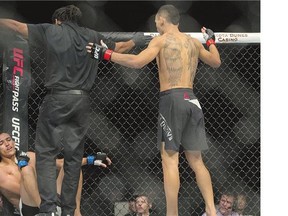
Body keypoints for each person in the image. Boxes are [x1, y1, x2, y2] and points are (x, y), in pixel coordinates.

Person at [0, 4, 150, 216]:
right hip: (81, 102)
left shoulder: (51, 31)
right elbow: (121, 48)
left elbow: (15, 25)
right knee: (72, 158)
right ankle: (69, 210)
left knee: (45, 154)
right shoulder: (91, 35)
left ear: (57, 20)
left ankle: (50, 209)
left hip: (57, 98)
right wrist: (138, 40)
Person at [87, 4, 221, 216]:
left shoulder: (161, 40)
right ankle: (212, 210)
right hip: (192, 99)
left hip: (172, 99)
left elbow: (138, 62)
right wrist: (211, 41)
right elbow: (216, 61)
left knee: (170, 159)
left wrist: (107, 55)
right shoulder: (193, 42)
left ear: (161, 20)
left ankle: (172, 213)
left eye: (156, 22)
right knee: (196, 160)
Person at [0, 132, 111, 216]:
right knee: (27, 170)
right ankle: (46, 211)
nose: (7, 144)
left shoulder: (29, 155)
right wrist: (23, 165)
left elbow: (61, 163)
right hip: (31, 207)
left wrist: (91, 160)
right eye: (1, 143)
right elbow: (21, 189)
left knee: (72, 167)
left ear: (13, 141)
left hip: (50, 197)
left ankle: (76, 212)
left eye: (8, 140)